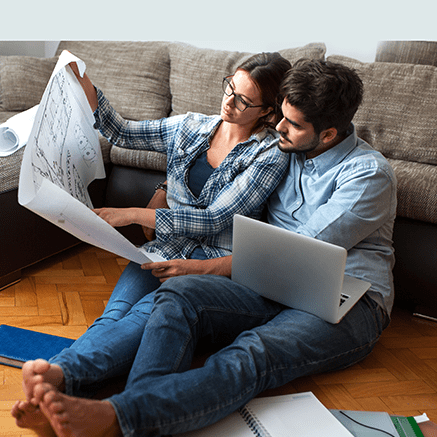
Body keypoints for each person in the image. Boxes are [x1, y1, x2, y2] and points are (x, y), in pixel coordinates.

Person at [12, 59, 397, 437]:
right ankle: (99, 397)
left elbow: (298, 254)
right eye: (279, 115)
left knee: (253, 352)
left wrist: (198, 267)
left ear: (328, 135)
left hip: (345, 297)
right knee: (176, 297)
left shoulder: (366, 174)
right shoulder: (289, 149)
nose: (277, 127)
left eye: (291, 124)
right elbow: (171, 153)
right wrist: (162, 190)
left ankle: (120, 415)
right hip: (269, 281)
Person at [68, 51, 290, 330]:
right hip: (163, 248)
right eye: (230, 87)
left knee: (139, 323)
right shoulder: (190, 126)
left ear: (268, 111)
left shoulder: (269, 153)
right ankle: (64, 371)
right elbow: (124, 133)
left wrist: (132, 215)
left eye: (243, 101)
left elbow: (213, 220)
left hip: (211, 260)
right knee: (112, 317)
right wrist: (83, 81)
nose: (229, 101)